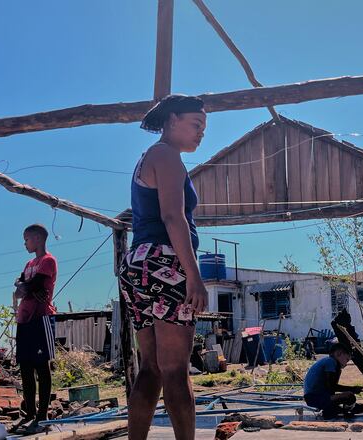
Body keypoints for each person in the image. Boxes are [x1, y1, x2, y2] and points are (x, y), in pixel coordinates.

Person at [119, 94, 208, 440]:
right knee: (175, 370)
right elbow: (173, 217)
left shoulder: (147, 158)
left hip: (138, 264)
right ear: (172, 120)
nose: (201, 134)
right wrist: (195, 278)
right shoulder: (167, 156)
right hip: (164, 263)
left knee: (151, 369)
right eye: (196, 125)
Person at [13, 223, 58, 434]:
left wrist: (27, 286)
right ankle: (29, 413)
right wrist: (26, 286)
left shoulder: (48, 260)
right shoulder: (30, 262)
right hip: (24, 319)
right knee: (25, 368)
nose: (25, 243)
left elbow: (32, 286)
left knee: (42, 367)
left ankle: (42, 415)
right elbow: (21, 285)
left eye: (27, 239)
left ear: (38, 239)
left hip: (41, 318)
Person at [303, 343, 363, 419]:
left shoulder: (331, 363)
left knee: (342, 401)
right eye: (347, 359)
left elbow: (330, 389)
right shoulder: (331, 362)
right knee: (349, 396)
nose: (346, 364)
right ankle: (346, 409)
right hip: (315, 398)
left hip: (314, 397)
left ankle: (338, 409)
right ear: (338, 354)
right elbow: (332, 387)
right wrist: (353, 389)